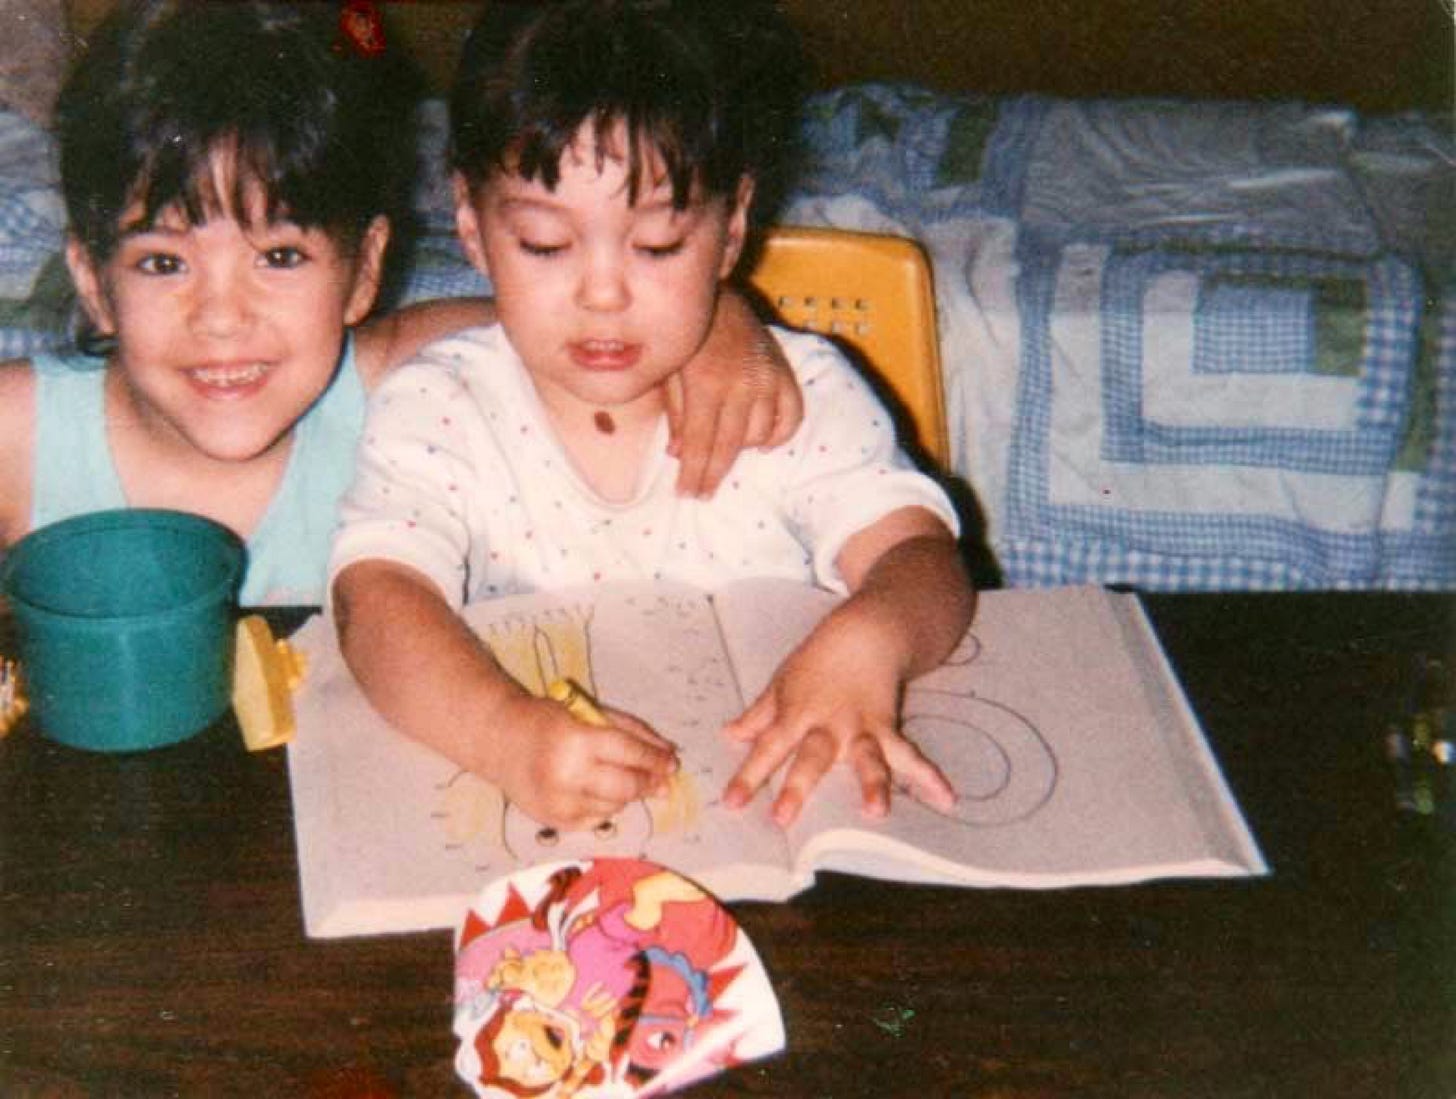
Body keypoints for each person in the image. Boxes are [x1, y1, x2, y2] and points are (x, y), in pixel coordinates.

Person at [330, 0, 977, 832]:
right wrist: (502, 734)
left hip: (783, 816)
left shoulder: (793, 395)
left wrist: (874, 637)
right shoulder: (438, 407)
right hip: (535, 833)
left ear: (733, 225)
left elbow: (923, 561)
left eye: (659, 246)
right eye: (545, 244)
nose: (604, 294)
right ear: (472, 226)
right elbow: (375, 602)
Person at [0, 0, 801, 606]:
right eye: (164, 261)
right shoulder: (18, 435)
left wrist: (725, 325)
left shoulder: (405, 381)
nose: (222, 317)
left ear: (364, 271)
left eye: (280, 255)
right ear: (95, 282)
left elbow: (594, 325)